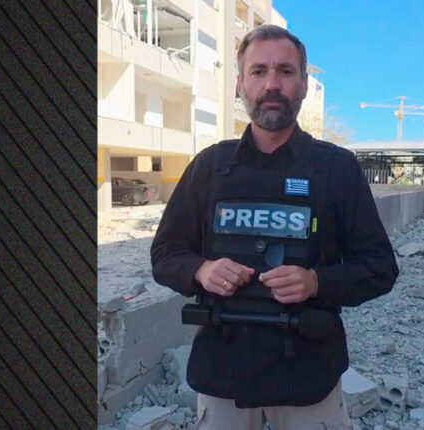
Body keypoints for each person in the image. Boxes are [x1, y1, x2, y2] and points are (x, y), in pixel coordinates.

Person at [151, 24, 398, 430]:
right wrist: (201, 270)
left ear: (303, 85)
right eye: (258, 71)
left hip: (308, 375)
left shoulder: (337, 168)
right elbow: (164, 255)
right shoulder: (210, 166)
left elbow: (380, 268)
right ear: (239, 85)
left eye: (285, 71)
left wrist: (316, 282)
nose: (271, 84)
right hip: (224, 373)